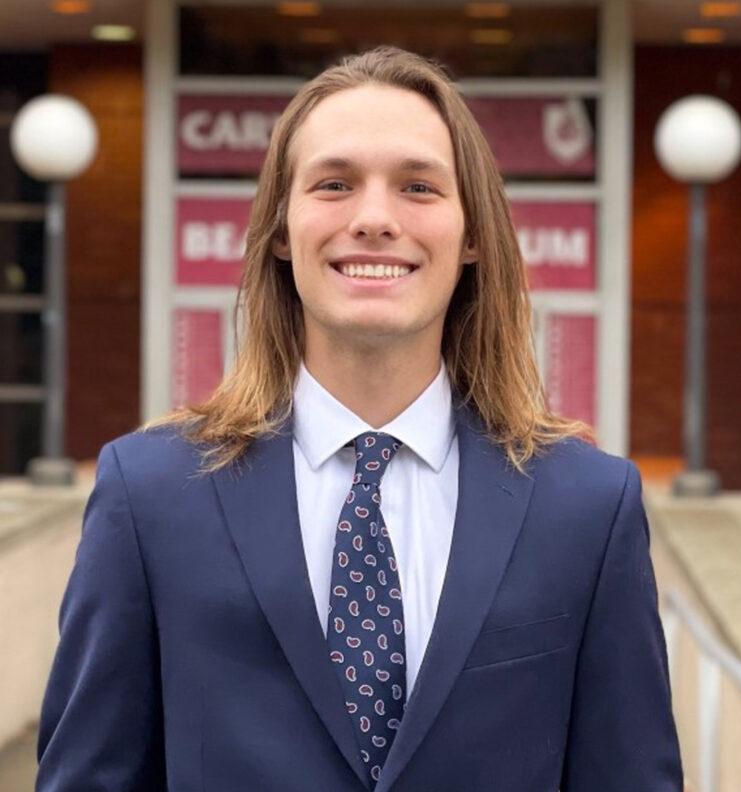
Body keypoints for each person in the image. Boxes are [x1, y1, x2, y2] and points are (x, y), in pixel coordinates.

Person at [36, 46, 683, 792]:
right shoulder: (149, 493)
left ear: (473, 235)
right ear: (282, 230)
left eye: (418, 187)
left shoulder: (588, 507)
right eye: (335, 184)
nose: (374, 219)